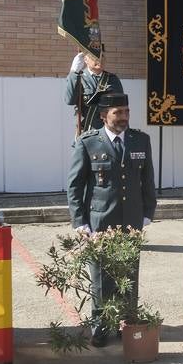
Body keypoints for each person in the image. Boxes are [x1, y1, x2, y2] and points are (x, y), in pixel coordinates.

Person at [66, 92, 157, 347]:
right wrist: (80, 221)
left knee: (129, 273)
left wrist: (148, 212)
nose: (124, 117)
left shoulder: (141, 140)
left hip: (131, 219)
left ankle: (127, 323)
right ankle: (101, 325)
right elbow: (75, 186)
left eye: (127, 112)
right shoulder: (88, 143)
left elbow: (147, 179)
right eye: (118, 113)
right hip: (100, 220)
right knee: (101, 275)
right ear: (104, 116)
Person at [65, 48, 123, 133]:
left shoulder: (113, 79)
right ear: (85, 60)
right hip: (88, 130)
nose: (99, 59)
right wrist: (74, 73)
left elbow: (121, 106)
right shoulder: (79, 78)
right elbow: (69, 100)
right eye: (95, 56)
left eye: (102, 56)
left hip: (110, 131)